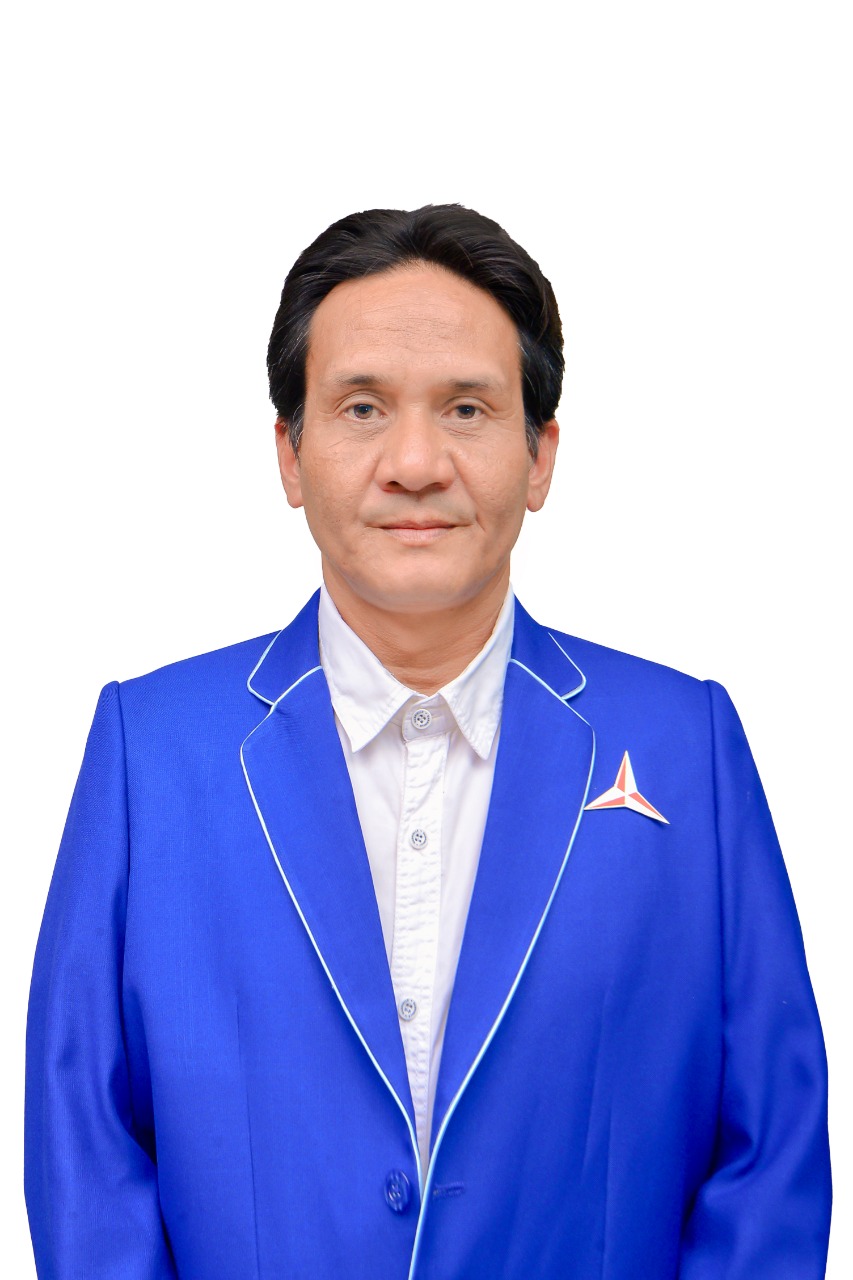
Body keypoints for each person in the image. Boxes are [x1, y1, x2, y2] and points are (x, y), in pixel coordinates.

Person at [24, 204, 832, 1279]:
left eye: (466, 408)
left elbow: (769, 1156)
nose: (414, 462)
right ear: (290, 453)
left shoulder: (687, 745)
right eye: (361, 407)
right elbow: (85, 1149)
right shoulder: (153, 752)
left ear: (540, 455)